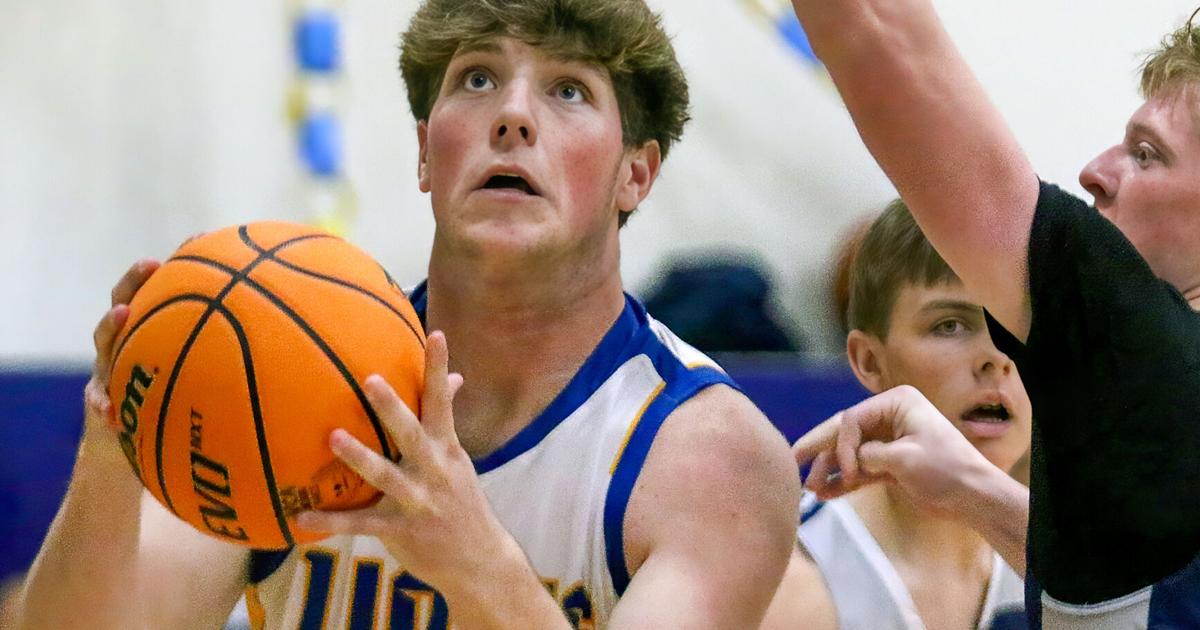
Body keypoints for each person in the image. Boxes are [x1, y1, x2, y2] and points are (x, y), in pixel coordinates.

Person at [16, 1, 800, 628]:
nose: (513, 117)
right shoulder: (278, 359)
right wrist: (113, 452)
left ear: (636, 173)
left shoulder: (711, 460)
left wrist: (477, 565)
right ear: (426, 152)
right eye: (477, 79)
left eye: (568, 91)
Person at [789, 0, 1200, 625]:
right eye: (949, 325)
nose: (1094, 172)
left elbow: (876, 29)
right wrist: (974, 489)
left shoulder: (1149, 354)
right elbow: (1135, 581)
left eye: (1146, 153)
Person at [761, 200, 1028, 630]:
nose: (997, 357)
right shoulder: (790, 580)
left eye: (1020, 325)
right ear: (869, 361)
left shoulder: (1081, 564)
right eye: (950, 325)